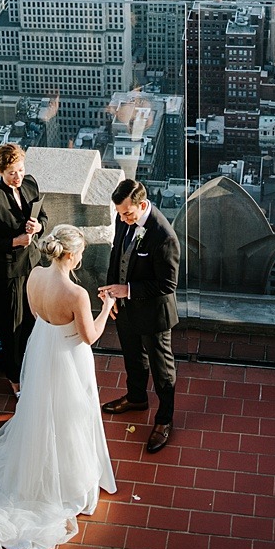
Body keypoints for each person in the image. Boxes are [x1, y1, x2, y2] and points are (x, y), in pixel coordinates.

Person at [0, 224, 116, 549]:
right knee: (71, 413)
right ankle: (68, 476)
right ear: (72, 255)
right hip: (67, 357)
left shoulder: (33, 275)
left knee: (41, 409)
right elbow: (89, 337)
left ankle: (41, 461)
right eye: (82, 253)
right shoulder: (77, 295)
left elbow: (35, 313)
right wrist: (105, 308)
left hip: (42, 345)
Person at [99, 179, 180, 454]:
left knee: (162, 369)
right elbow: (116, 254)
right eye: (120, 214)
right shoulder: (125, 217)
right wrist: (112, 294)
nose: (122, 219)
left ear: (142, 205)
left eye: (127, 214)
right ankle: (136, 398)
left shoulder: (164, 236)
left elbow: (168, 285)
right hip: (126, 307)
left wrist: (128, 290)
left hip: (154, 314)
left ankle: (164, 419)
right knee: (132, 356)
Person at [0, 144, 47, 397]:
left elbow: (43, 216)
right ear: (0, 171)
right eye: (12, 172)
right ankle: (15, 378)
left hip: (31, 264)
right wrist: (13, 242)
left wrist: (39, 227)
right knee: (11, 325)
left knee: (31, 319)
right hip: (6, 272)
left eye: (21, 170)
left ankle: (30, 364)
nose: (18, 177)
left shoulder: (30, 184)